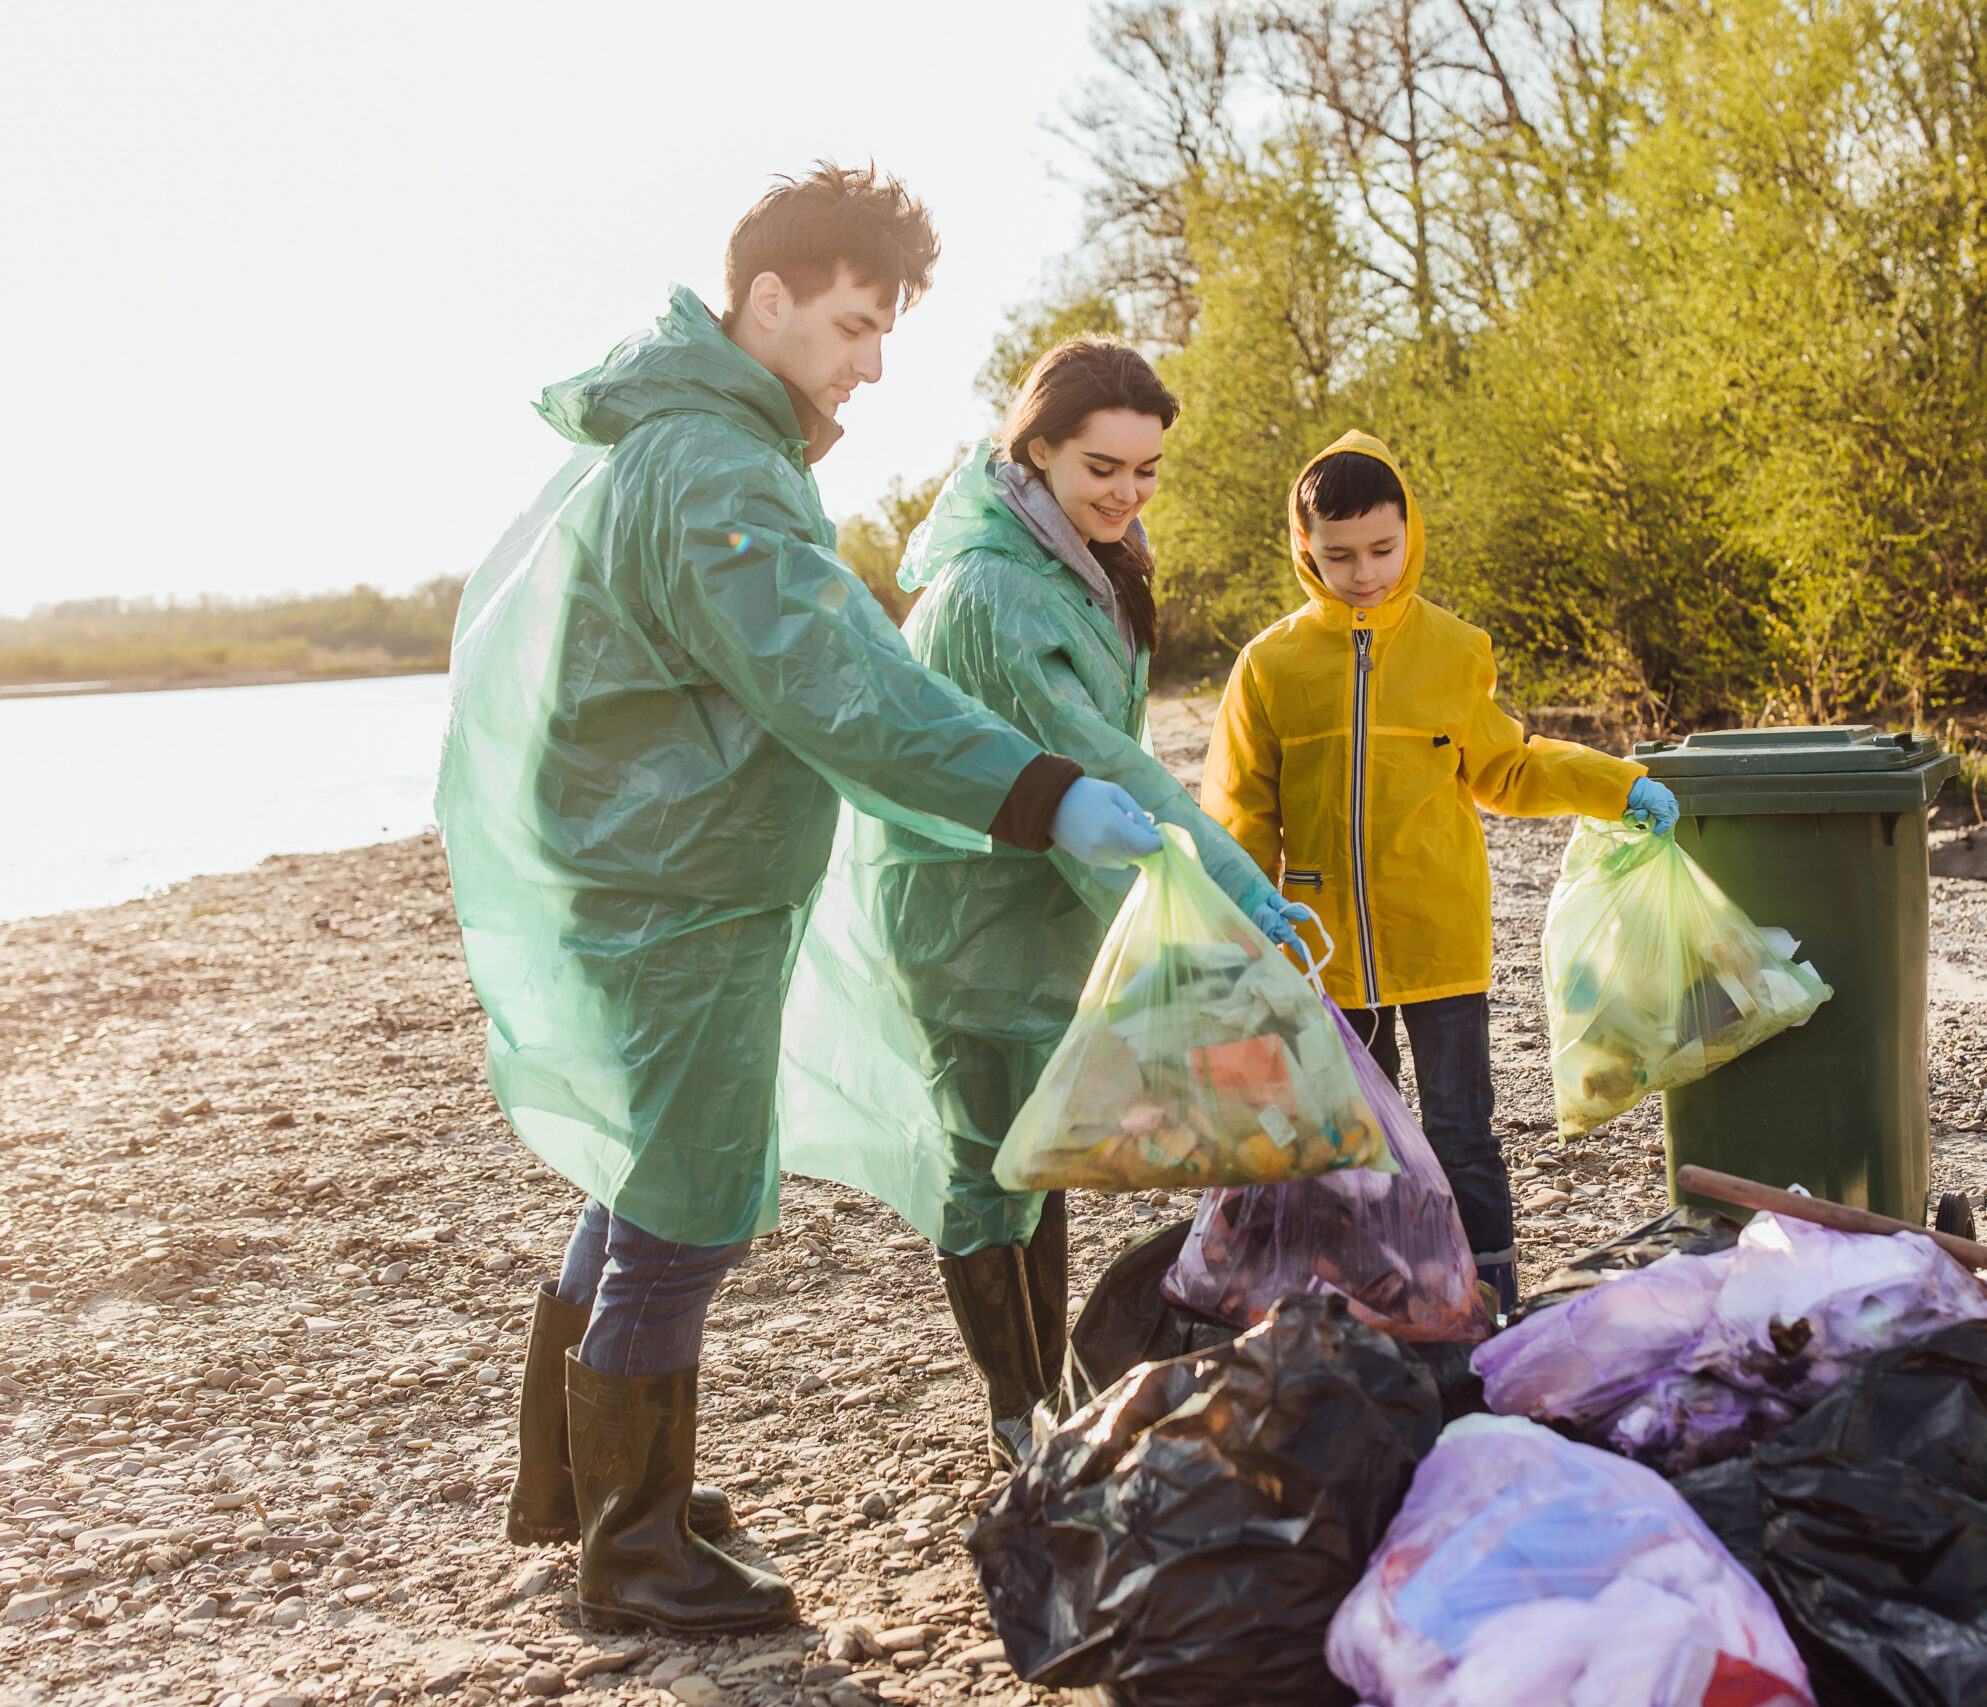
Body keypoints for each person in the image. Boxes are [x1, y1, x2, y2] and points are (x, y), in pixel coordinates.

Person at [438, 164, 1167, 1634]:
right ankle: (636, 1548)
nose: (873, 361)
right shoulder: (713, 466)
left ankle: (589, 1489)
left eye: (886, 328)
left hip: (658, 877)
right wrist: (1043, 791)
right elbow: (841, 682)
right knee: (685, 1208)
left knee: (637, 1176)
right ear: (764, 299)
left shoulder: (695, 442)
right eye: (852, 322)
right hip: (678, 897)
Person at [779, 336, 1309, 1466]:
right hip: (963, 908)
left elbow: (1105, 755)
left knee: (1043, 1147)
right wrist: (1235, 886)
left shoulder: (1078, 555)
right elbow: (1099, 760)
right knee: (989, 1161)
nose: (1126, 491)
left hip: (1043, 894)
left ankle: (1048, 1397)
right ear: (1035, 453)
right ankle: (1017, 1410)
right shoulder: (995, 592)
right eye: (1100, 467)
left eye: (1146, 468)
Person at [1202, 432, 1680, 1314]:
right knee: (1351, 1145)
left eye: (1383, 549)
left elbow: (1510, 767)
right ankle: (1379, 1304)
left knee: (1462, 1134)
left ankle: (1488, 1301)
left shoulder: (1454, 648)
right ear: (1303, 547)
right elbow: (1239, 812)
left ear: (1409, 533)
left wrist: (1617, 786)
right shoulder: (1268, 666)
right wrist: (1239, 920)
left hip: (1441, 946)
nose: (1365, 571)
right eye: (1338, 555)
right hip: (1322, 955)